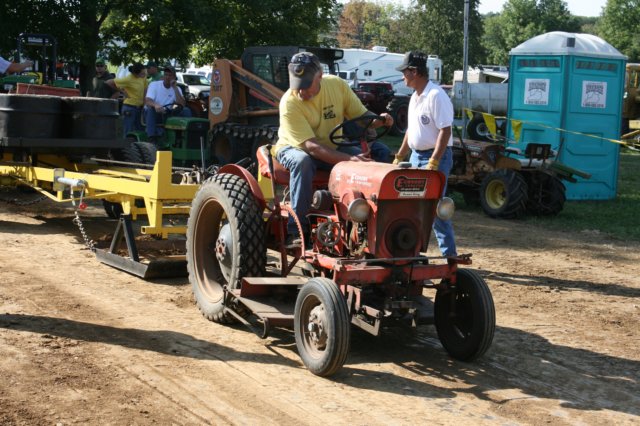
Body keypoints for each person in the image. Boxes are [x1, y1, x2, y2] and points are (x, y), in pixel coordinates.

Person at [274, 52, 393, 247]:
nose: (301, 91)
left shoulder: (336, 86)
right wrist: (348, 160)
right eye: (297, 85)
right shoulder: (289, 103)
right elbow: (311, 147)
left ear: (320, 76)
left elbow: (362, 117)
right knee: (302, 162)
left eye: (305, 85)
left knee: (376, 161)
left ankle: (375, 222)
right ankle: (296, 230)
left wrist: (381, 120)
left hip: (330, 146)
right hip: (293, 147)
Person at [393, 51, 457, 257]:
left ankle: (450, 258)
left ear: (414, 72)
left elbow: (445, 131)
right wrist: (399, 156)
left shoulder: (436, 96)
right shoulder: (415, 97)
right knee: (411, 207)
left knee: (435, 209)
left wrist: (434, 161)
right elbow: (411, 131)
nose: (403, 76)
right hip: (415, 157)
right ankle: (411, 251)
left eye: (405, 72)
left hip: (433, 157)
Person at [144, 65, 191, 140]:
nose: (167, 77)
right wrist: (156, 105)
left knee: (186, 110)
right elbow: (148, 100)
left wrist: (175, 88)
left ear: (174, 77)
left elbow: (182, 104)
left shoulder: (177, 88)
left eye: (170, 75)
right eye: (166, 74)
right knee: (150, 109)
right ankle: (151, 137)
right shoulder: (154, 85)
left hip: (167, 112)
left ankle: (186, 136)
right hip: (155, 112)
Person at [106, 62, 148, 136]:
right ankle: (126, 146)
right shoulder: (128, 79)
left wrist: (144, 103)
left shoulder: (143, 77)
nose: (144, 74)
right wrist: (122, 91)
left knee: (141, 130)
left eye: (145, 72)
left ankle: (139, 146)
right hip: (130, 107)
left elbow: (145, 89)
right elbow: (108, 82)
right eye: (142, 73)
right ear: (135, 73)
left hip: (140, 108)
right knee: (128, 130)